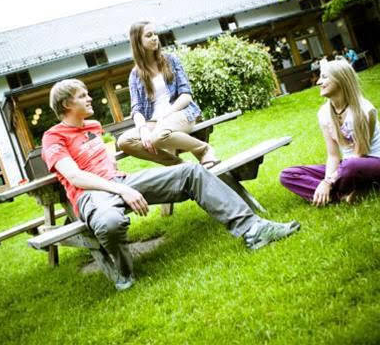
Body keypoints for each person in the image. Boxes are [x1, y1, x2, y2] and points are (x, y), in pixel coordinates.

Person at [42, 79, 301, 290]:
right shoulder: (53, 137)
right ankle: (123, 273)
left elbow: (103, 158)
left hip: (121, 181)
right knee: (110, 223)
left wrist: (121, 180)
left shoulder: (94, 126)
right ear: (67, 104)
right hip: (91, 194)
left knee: (190, 171)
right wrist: (122, 189)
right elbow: (75, 176)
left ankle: (254, 230)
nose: (89, 98)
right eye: (83, 96)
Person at [279, 59, 380, 206]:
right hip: (345, 168)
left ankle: (335, 194)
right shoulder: (324, 113)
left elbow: (360, 154)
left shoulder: (364, 110)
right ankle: (345, 195)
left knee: (350, 166)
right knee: (287, 175)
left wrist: (328, 182)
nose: (318, 82)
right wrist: (327, 179)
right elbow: (333, 156)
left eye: (324, 77)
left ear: (341, 79)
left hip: (375, 163)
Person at [117, 21, 219, 168]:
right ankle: (180, 165)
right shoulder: (135, 74)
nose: (155, 38)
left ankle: (204, 150)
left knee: (158, 136)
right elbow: (137, 109)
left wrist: (165, 115)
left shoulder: (171, 60)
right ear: (138, 42)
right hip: (154, 121)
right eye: (149, 35)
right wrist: (143, 129)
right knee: (124, 141)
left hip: (180, 113)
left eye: (155, 34)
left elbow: (186, 95)